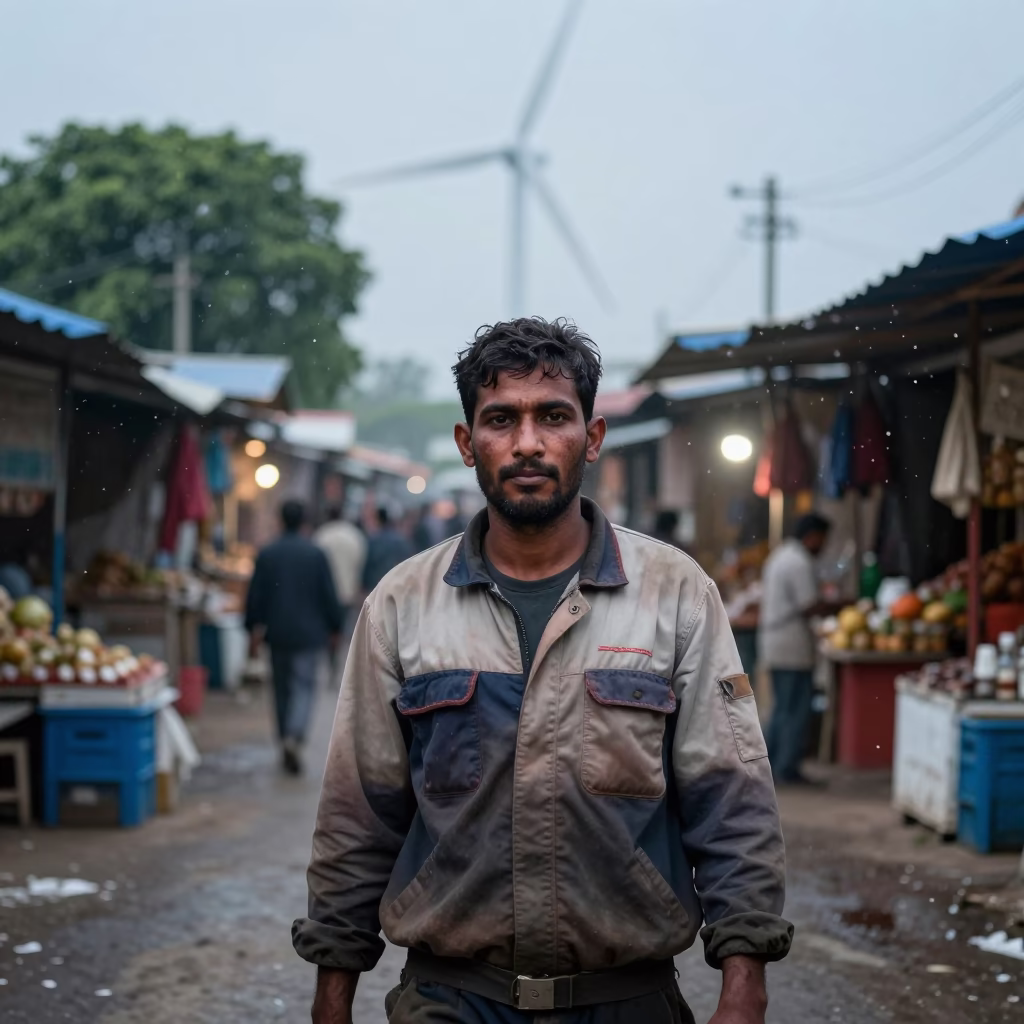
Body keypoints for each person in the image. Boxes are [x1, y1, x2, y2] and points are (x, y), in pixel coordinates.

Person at [294, 317, 791, 1024]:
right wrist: (332, 994)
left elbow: (731, 801)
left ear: (591, 437)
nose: (527, 443)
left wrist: (746, 983)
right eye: (501, 419)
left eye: (553, 417)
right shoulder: (403, 605)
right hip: (449, 999)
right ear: (469, 445)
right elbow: (359, 814)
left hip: (629, 1000)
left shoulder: (675, 594)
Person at [245, 499, 342, 775]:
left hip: (277, 633)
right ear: (303, 522)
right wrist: (335, 627)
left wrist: (252, 629)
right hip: (310, 635)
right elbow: (328, 595)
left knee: (281, 690)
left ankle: (284, 735)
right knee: (304, 687)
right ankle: (294, 735)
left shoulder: (268, 553)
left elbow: (256, 596)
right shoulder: (315, 554)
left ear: (280, 520)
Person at [759, 512, 834, 786]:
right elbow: (809, 605)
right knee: (794, 709)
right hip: (790, 645)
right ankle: (785, 767)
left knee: (783, 707)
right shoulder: (798, 561)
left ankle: (770, 765)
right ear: (812, 535)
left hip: (777, 642)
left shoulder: (781, 555)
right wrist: (841, 604)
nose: (823, 545)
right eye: (823, 539)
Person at [314, 506, 368, 656]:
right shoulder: (354, 535)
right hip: (348, 591)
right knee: (344, 631)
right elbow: (361, 563)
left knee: (326, 630)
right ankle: (338, 663)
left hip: (324, 593)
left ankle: (328, 657)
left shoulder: (322, 535)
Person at [361, 506, 415, 592]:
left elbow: (368, 564)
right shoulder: (400, 539)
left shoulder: (374, 540)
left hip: (376, 585)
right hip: (397, 584)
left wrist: (364, 585)